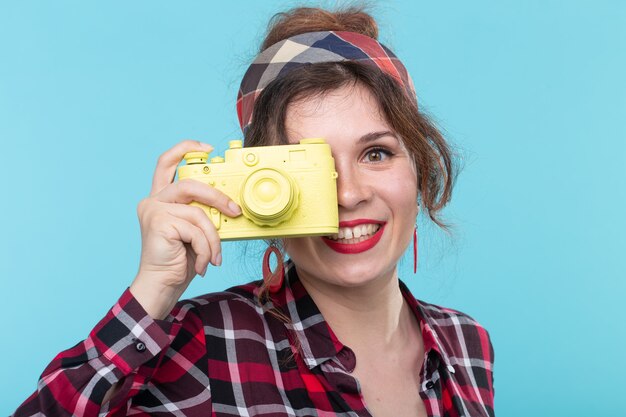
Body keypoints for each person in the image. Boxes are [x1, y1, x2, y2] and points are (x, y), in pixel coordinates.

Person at [13, 6, 494, 417]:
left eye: (376, 154)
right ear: (258, 187)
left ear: (421, 170)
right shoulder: (201, 343)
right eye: (312, 165)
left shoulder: (466, 343)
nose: (347, 195)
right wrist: (150, 293)